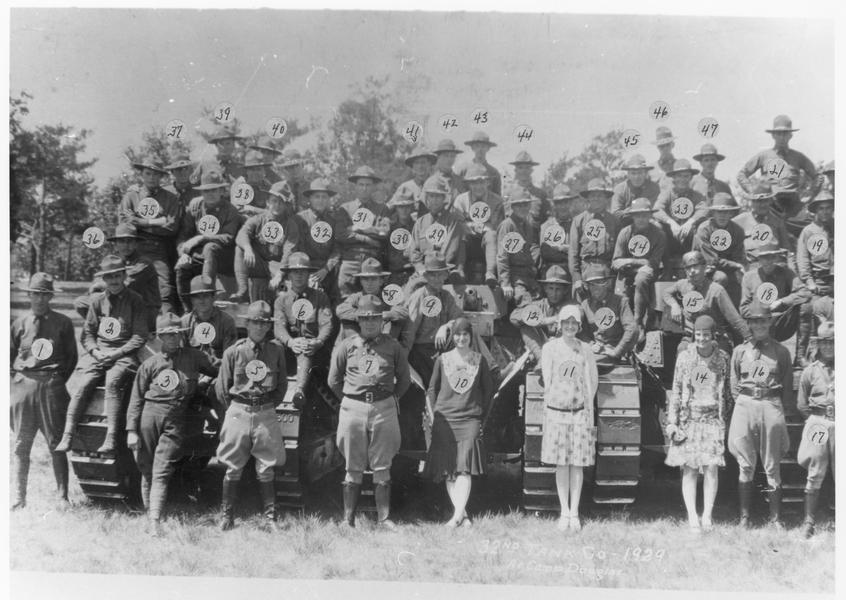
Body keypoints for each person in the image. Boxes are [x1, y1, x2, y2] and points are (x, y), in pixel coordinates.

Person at [126, 314, 217, 535]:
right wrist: (131, 431)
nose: (173, 338)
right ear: (160, 337)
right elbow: (136, 398)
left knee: (162, 468)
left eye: (176, 334)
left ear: (182, 335)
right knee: (146, 466)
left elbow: (218, 369)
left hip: (175, 419)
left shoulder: (194, 357)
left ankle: (154, 521)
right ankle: (149, 513)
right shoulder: (150, 364)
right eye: (167, 335)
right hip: (149, 416)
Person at [328, 295, 411, 529]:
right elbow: (333, 380)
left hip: (383, 408)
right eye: (365, 319)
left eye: (375, 318)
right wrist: (350, 401)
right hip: (353, 408)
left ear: (382, 321)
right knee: (352, 464)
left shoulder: (393, 347)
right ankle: (348, 520)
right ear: (359, 321)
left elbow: (404, 380)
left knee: (382, 464)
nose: (370, 323)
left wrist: (389, 400)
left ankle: (384, 518)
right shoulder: (347, 346)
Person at [55, 256, 149, 454]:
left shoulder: (135, 300)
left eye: (117, 276)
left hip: (124, 355)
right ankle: (68, 435)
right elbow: (88, 334)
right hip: (100, 353)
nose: (114, 281)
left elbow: (140, 335)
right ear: (104, 279)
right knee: (83, 384)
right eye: (109, 277)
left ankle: (111, 437)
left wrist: (117, 353)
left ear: (124, 276)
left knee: (113, 382)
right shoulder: (97, 301)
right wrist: (95, 351)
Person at [215, 301, 287, 531]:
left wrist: (265, 406)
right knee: (232, 465)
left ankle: (270, 518)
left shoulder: (276, 351)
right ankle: (227, 516)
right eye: (256, 322)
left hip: (265, 411)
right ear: (247, 324)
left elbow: (281, 386)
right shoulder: (233, 352)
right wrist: (238, 409)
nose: (260, 327)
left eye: (265, 323)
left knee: (266, 466)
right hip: (239, 411)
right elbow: (222, 388)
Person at [10, 273, 78, 509]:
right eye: (35, 294)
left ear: (50, 297)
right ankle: (19, 498)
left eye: (44, 294)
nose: (39, 299)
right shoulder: (19, 324)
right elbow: (8, 358)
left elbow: (71, 358)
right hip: (24, 389)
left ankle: (62, 497)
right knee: (21, 444)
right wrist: (16, 386)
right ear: (29, 295)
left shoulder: (63, 323)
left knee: (56, 443)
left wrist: (55, 382)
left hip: (50, 387)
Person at [728, 300, 792, 529]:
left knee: (772, 465)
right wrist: (744, 402)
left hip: (770, 403)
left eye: (763, 321)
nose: (759, 325)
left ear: (770, 322)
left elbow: (786, 383)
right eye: (754, 321)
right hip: (745, 403)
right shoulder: (740, 351)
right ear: (749, 324)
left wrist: (776, 408)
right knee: (745, 463)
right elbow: (734, 382)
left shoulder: (780, 351)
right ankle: (745, 517)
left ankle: (775, 519)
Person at [425, 317, 493, 527]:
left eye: (465, 335)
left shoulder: (479, 360)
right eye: (457, 335)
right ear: (452, 337)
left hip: (469, 419)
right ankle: (462, 516)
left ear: (471, 337)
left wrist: (479, 415)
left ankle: (455, 518)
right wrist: (435, 415)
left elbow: (489, 391)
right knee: (449, 469)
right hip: (445, 419)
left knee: (464, 468)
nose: (461, 338)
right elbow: (432, 389)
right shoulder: (442, 359)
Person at [665, 315, 729, 532]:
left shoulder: (722, 359)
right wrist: (672, 422)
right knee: (690, 469)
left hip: (712, 420)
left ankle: (707, 515)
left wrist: (724, 420)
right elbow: (676, 390)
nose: (702, 339)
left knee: (711, 469)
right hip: (689, 419)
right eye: (698, 335)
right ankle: (692, 515)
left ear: (713, 336)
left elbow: (727, 393)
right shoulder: (685, 358)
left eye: (706, 335)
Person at [540, 304, 598, 531]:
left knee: (577, 465)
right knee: (562, 464)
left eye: (574, 323)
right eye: (566, 322)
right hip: (557, 413)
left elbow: (592, 381)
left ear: (579, 326)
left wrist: (585, 408)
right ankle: (564, 511)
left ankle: (575, 513)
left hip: (579, 414)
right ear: (560, 324)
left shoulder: (586, 349)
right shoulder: (549, 348)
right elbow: (547, 380)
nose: (570, 326)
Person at [118, 155, 182, 314]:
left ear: (161, 177)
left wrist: (141, 222)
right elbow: (125, 223)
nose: (152, 178)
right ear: (141, 174)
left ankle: (167, 323)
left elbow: (171, 226)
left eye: (156, 174)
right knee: (123, 283)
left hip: (157, 249)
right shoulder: (132, 196)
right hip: (132, 248)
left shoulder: (170, 198)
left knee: (164, 289)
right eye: (148, 173)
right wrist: (157, 221)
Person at [175, 170, 243, 312]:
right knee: (182, 268)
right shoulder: (195, 206)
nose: (210, 194)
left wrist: (202, 237)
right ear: (201, 192)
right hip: (198, 255)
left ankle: (209, 293)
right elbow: (184, 235)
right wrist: (183, 254)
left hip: (223, 256)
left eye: (214, 190)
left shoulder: (230, 210)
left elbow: (228, 238)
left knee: (210, 247)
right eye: (206, 191)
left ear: (221, 191)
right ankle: (188, 310)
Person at [273, 253, 334, 408]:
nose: (299, 276)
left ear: (308, 274)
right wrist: (290, 341)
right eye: (295, 272)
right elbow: (279, 327)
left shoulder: (320, 297)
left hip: (312, 349)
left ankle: (299, 391)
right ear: (289, 275)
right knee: (273, 347)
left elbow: (326, 324)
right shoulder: (281, 300)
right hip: (288, 349)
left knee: (305, 346)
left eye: (303, 272)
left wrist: (318, 341)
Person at [74, 223, 161, 331]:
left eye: (129, 241)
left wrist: (99, 285)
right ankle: (105, 330)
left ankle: (112, 330)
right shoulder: (115, 260)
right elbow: (100, 278)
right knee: (81, 302)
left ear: (136, 244)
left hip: (142, 310)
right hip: (121, 304)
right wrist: (94, 290)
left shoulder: (143, 263)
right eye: (121, 241)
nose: (126, 245)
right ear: (115, 244)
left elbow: (123, 284)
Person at [661, 250, 750, 354]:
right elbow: (666, 293)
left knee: (719, 355)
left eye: (695, 266)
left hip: (714, 338)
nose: (692, 271)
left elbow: (735, 319)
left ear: (704, 267)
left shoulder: (716, 290)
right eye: (688, 268)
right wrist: (674, 305)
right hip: (691, 337)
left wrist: (750, 339)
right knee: (682, 350)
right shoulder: (682, 285)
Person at [736, 115, 819, 222]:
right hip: (769, 207)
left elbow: (818, 177)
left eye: (785, 134)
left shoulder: (798, 157)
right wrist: (752, 191)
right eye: (779, 133)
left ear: (790, 136)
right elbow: (742, 174)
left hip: (794, 209)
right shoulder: (764, 156)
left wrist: (810, 194)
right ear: (773, 135)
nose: (782, 137)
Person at [230, 179, 300, 303]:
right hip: (260, 264)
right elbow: (242, 233)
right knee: (240, 249)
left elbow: (289, 252)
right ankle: (243, 290)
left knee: (284, 295)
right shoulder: (259, 219)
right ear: (267, 202)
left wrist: (279, 275)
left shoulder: (291, 225)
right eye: (274, 201)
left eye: (281, 202)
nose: (277, 205)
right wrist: (248, 248)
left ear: (286, 205)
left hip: (278, 267)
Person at [400, 253, 465, 386]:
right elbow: (410, 331)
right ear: (426, 276)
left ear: (446, 275)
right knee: (437, 383)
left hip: (441, 347)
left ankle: (491, 372)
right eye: (433, 275)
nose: (437, 279)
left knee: (466, 330)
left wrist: (446, 326)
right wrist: (403, 359)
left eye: (441, 275)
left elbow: (459, 318)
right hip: (422, 351)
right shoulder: (419, 296)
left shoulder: (446, 296)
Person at [796, 321, 835, 538]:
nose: (828, 346)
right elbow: (802, 405)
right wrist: (814, 422)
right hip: (818, 421)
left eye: (833, 342)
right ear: (818, 344)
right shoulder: (810, 371)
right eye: (824, 342)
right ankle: (809, 521)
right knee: (815, 470)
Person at [180, 275, 238, 417]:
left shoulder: (226, 321)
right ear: (191, 300)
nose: (202, 301)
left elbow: (229, 360)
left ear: (213, 297)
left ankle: (223, 427)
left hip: (219, 373)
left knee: (218, 389)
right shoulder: (185, 323)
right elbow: (180, 357)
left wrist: (206, 379)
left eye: (206, 296)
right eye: (197, 297)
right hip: (193, 374)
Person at [739, 242, 810, 352]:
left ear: (776, 257)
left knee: (806, 307)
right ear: (759, 259)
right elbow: (743, 309)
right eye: (764, 258)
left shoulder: (786, 273)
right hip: (758, 323)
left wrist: (782, 301)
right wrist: (762, 311)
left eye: (772, 257)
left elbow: (805, 292)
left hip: (780, 322)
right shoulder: (749, 277)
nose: (768, 261)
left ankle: (801, 355)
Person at [612, 198, 666, 331]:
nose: (641, 219)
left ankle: (638, 321)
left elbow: (653, 263)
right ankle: (622, 327)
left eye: (645, 215)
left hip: (649, 273)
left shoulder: (658, 234)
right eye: (637, 215)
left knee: (641, 278)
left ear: (650, 216)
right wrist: (633, 265)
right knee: (620, 294)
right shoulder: (625, 232)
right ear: (632, 216)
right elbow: (616, 261)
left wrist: (630, 261)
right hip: (627, 273)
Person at [335, 170, 391, 298]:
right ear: (355, 186)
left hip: (372, 260)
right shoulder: (345, 208)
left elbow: (384, 232)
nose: (364, 188)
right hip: (351, 259)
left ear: (373, 187)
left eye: (368, 185)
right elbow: (340, 234)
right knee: (345, 295)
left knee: (372, 298)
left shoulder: (382, 208)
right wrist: (366, 239)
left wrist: (358, 228)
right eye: (361, 184)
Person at [452, 163, 504, 285]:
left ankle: (490, 273)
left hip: (488, 244)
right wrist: (471, 226)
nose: (478, 187)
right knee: (461, 233)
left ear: (488, 183)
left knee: (491, 235)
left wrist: (478, 226)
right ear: (469, 184)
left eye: (481, 182)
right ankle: (459, 269)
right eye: (474, 183)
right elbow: (458, 223)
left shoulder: (497, 201)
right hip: (467, 242)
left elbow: (496, 226)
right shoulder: (461, 200)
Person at [569, 178, 620, 302]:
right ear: (588, 198)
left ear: (606, 198)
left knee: (607, 307)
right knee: (584, 308)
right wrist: (577, 279)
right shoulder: (579, 221)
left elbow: (618, 252)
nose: (596, 198)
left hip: (607, 272)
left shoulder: (614, 221)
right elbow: (573, 253)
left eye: (600, 195)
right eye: (593, 195)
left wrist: (614, 277)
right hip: (586, 270)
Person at [335, 258, 408, 344]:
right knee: (346, 322)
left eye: (373, 279)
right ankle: (355, 349)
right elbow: (341, 310)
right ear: (361, 281)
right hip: (360, 337)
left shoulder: (388, 296)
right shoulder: (357, 297)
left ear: (381, 281)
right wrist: (363, 316)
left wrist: (384, 315)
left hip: (382, 335)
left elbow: (403, 311)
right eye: (365, 279)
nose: (369, 283)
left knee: (395, 322)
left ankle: (385, 348)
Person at [691, 192, 745, 306]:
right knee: (721, 278)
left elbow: (738, 256)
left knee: (741, 280)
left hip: (727, 267)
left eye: (726, 212)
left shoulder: (737, 230)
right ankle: (708, 309)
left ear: (731, 213)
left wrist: (739, 268)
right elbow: (711, 260)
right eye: (719, 212)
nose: (722, 216)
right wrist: (735, 265)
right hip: (703, 268)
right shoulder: (704, 229)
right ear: (713, 213)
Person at [509, 265, 571, 365]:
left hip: (562, 348)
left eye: (558, 289)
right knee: (526, 325)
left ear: (565, 291)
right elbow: (514, 317)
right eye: (551, 288)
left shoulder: (569, 306)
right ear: (545, 289)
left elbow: (578, 314)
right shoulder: (538, 305)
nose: (554, 293)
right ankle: (541, 359)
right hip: (541, 347)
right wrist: (545, 320)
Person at [409, 175, 467, 280]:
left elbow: (450, 251)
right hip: (423, 271)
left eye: (438, 196)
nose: (434, 200)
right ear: (426, 198)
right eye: (431, 196)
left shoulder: (452, 221)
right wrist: (419, 268)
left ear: (444, 198)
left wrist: (434, 270)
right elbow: (414, 251)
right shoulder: (420, 222)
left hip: (444, 270)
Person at [294, 178, 342, 302]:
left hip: (327, 269)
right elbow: (298, 248)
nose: (320, 200)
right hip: (306, 269)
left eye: (324, 197)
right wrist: (309, 273)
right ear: (310, 199)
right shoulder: (300, 219)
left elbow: (337, 249)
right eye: (317, 197)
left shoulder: (333, 220)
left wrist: (326, 269)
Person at [653, 159, 711, 262]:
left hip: (689, 237)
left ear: (691, 178)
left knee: (703, 226)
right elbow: (657, 209)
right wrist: (671, 222)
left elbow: (704, 209)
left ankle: (695, 262)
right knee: (657, 226)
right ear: (674, 178)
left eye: (686, 176)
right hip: (671, 237)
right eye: (679, 176)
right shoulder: (667, 194)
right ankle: (666, 264)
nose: (682, 179)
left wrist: (690, 222)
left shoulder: (696, 195)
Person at [578, 264, 638, 362]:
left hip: (615, 353)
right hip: (594, 352)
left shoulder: (620, 302)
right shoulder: (585, 305)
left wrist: (617, 351)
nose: (595, 288)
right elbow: (580, 331)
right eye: (591, 284)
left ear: (607, 283)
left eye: (599, 282)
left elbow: (632, 329)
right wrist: (591, 344)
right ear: (587, 286)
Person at [732, 181, 792, 264]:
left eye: (765, 201)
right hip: (749, 267)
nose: (762, 205)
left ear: (770, 201)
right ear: (752, 202)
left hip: (772, 267)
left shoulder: (778, 222)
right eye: (758, 201)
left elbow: (786, 250)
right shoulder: (739, 221)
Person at [539, 183, 580, 276]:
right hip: (551, 272)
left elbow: (581, 251)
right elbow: (546, 253)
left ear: (571, 203)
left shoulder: (577, 225)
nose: (563, 207)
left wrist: (560, 248)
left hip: (572, 272)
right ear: (554, 205)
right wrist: (569, 250)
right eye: (559, 203)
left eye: (566, 202)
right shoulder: (546, 226)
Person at [610, 154, 660, 223]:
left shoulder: (653, 187)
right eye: (633, 173)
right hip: (625, 222)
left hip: (648, 221)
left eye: (640, 173)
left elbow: (655, 209)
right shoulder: (620, 189)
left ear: (645, 173)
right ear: (628, 175)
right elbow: (615, 213)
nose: (636, 177)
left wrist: (628, 210)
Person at [504, 150, 548, 226]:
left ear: (531, 170)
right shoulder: (507, 193)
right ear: (515, 170)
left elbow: (546, 220)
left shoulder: (540, 194)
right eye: (520, 168)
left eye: (527, 168)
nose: (524, 171)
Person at [384, 188, 417, 288]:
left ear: (412, 207)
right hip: (393, 275)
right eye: (401, 207)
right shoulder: (389, 228)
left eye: (407, 206)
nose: (404, 210)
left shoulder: (417, 227)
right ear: (396, 208)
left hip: (413, 274)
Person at [391, 146, 437, 216]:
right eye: (417, 163)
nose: (420, 166)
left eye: (423, 162)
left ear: (430, 165)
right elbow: (390, 207)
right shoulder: (405, 187)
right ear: (412, 167)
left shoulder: (437, 185)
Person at [456, 131, 502, 196]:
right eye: (477, 146)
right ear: (472, 148)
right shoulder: (463, 169)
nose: (480, 149)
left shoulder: (494, 172)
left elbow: (497, 196)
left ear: (488, 148)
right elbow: (457, 194)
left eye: (483, 146)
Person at [431, 139, 464, 206]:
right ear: (438, 157)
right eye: (446, 156)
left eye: (452, 156)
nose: (449, 159)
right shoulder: (432, 181)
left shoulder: (459, 181)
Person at [650, 126, 677, 191]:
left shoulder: (680, 166)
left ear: (673, 144)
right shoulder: (651, 169)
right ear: (657, 147)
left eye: (667, 144)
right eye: (661, 146)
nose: (665, 148)